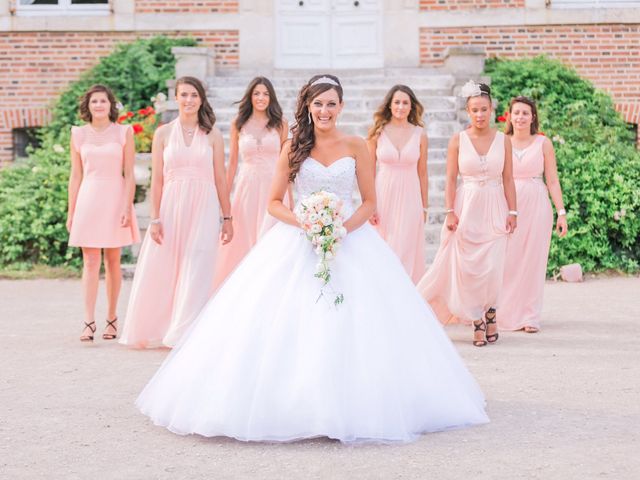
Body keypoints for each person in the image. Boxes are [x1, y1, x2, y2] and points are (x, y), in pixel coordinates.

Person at [136, 74, 488, 444]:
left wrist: (340, 230)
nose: (325, 111)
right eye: (318, 104)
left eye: (331, 103)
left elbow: (369, 201)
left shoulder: (356, 145)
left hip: (349, 238)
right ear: (307, 107)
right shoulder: (292, 147)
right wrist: (307, 223)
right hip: (297, 238)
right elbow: (274, 202)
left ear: (341, 106)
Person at [119, 77, 232, 348]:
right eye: (184, 95)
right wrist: (155, 218)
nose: (189, 100)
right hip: (171, 205)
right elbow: (156, 180)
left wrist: (227, 217)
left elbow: (220, 178)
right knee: (166, 265)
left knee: (197, 263)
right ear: (177, 98)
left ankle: (186, 331)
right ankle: (160, 326)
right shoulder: (163, 134)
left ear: (201, 99)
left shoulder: (213, 135)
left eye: (194, 95)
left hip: (203, 205)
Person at [417, 81, 517, 347]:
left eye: (484, 109)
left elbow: (508, 179)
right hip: (467, 206)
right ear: (468, 111)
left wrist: (513, 211)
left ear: (492, 109)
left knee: (493, 266)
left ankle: (491, 311)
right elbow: (450, 179)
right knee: (469, 267)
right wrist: (450, 212)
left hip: (495, 205)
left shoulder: (503, 140)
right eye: (475, 110)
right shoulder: (457, 140)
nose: (480, 115)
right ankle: (477, 320)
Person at [67, 84, 139, 342]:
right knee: (89, 261)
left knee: (112, 260)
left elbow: (130, 174)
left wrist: (126, 206)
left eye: (103, 101)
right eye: (94, 101)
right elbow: (75, 176)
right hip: (88, 198)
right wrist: (71, 210)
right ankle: (88, 321)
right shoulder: (77, 134)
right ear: (88, 106)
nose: (99, 105)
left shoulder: (124, 133)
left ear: (111, 105)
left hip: (115, 197)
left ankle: (112, 318)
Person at [499, 96, 568, 333]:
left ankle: (529, 316)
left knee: (533, 261)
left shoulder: (543, 143)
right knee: (507, 260)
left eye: (525, 113)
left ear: (533, 117)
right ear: (509, 116)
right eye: (516, 113)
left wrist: (561, 212)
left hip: (537, 205)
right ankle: (503, 313)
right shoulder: (502, 142)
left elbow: (552, 180)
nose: (520, 117)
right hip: (508, 206)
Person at [212, 77, 288, 290]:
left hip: (273, 187)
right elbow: (233, 163)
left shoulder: (281, 123)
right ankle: (244, 288)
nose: (261, 98)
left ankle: (271, 287)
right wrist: (224, 200)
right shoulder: (238, 124)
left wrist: (290, 194)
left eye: (265, 94)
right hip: (247, 188)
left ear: (271, 97)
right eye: (257, 93)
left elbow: (286, 162)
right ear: (250, 97)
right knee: (244, 239)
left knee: (271, 238)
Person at [367, 85, 428, 283]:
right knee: (386, 245)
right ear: (390, 105)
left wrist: (424, 206)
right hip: (384, 194)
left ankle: (406, 293)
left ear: (412, 107)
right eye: (397, 102)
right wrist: (369, 205)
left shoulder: (420, 134)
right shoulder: (377, 132)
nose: (401, 107)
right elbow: (368, 170)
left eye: (405, 103)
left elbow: (423, 173)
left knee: (407, 245)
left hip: (411, 196)